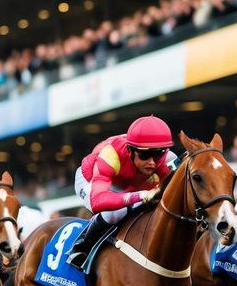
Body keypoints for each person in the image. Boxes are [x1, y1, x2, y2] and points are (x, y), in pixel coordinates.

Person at [65, 116, 177, 270]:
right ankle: (81, 247)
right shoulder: (111, 154)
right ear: (130, 150)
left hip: (132, 184)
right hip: (92, 181)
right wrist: (140, 196)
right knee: (116, 212)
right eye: (145, 155)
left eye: (158, 154)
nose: (152, 161)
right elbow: (97, 201)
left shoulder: (165, 158)